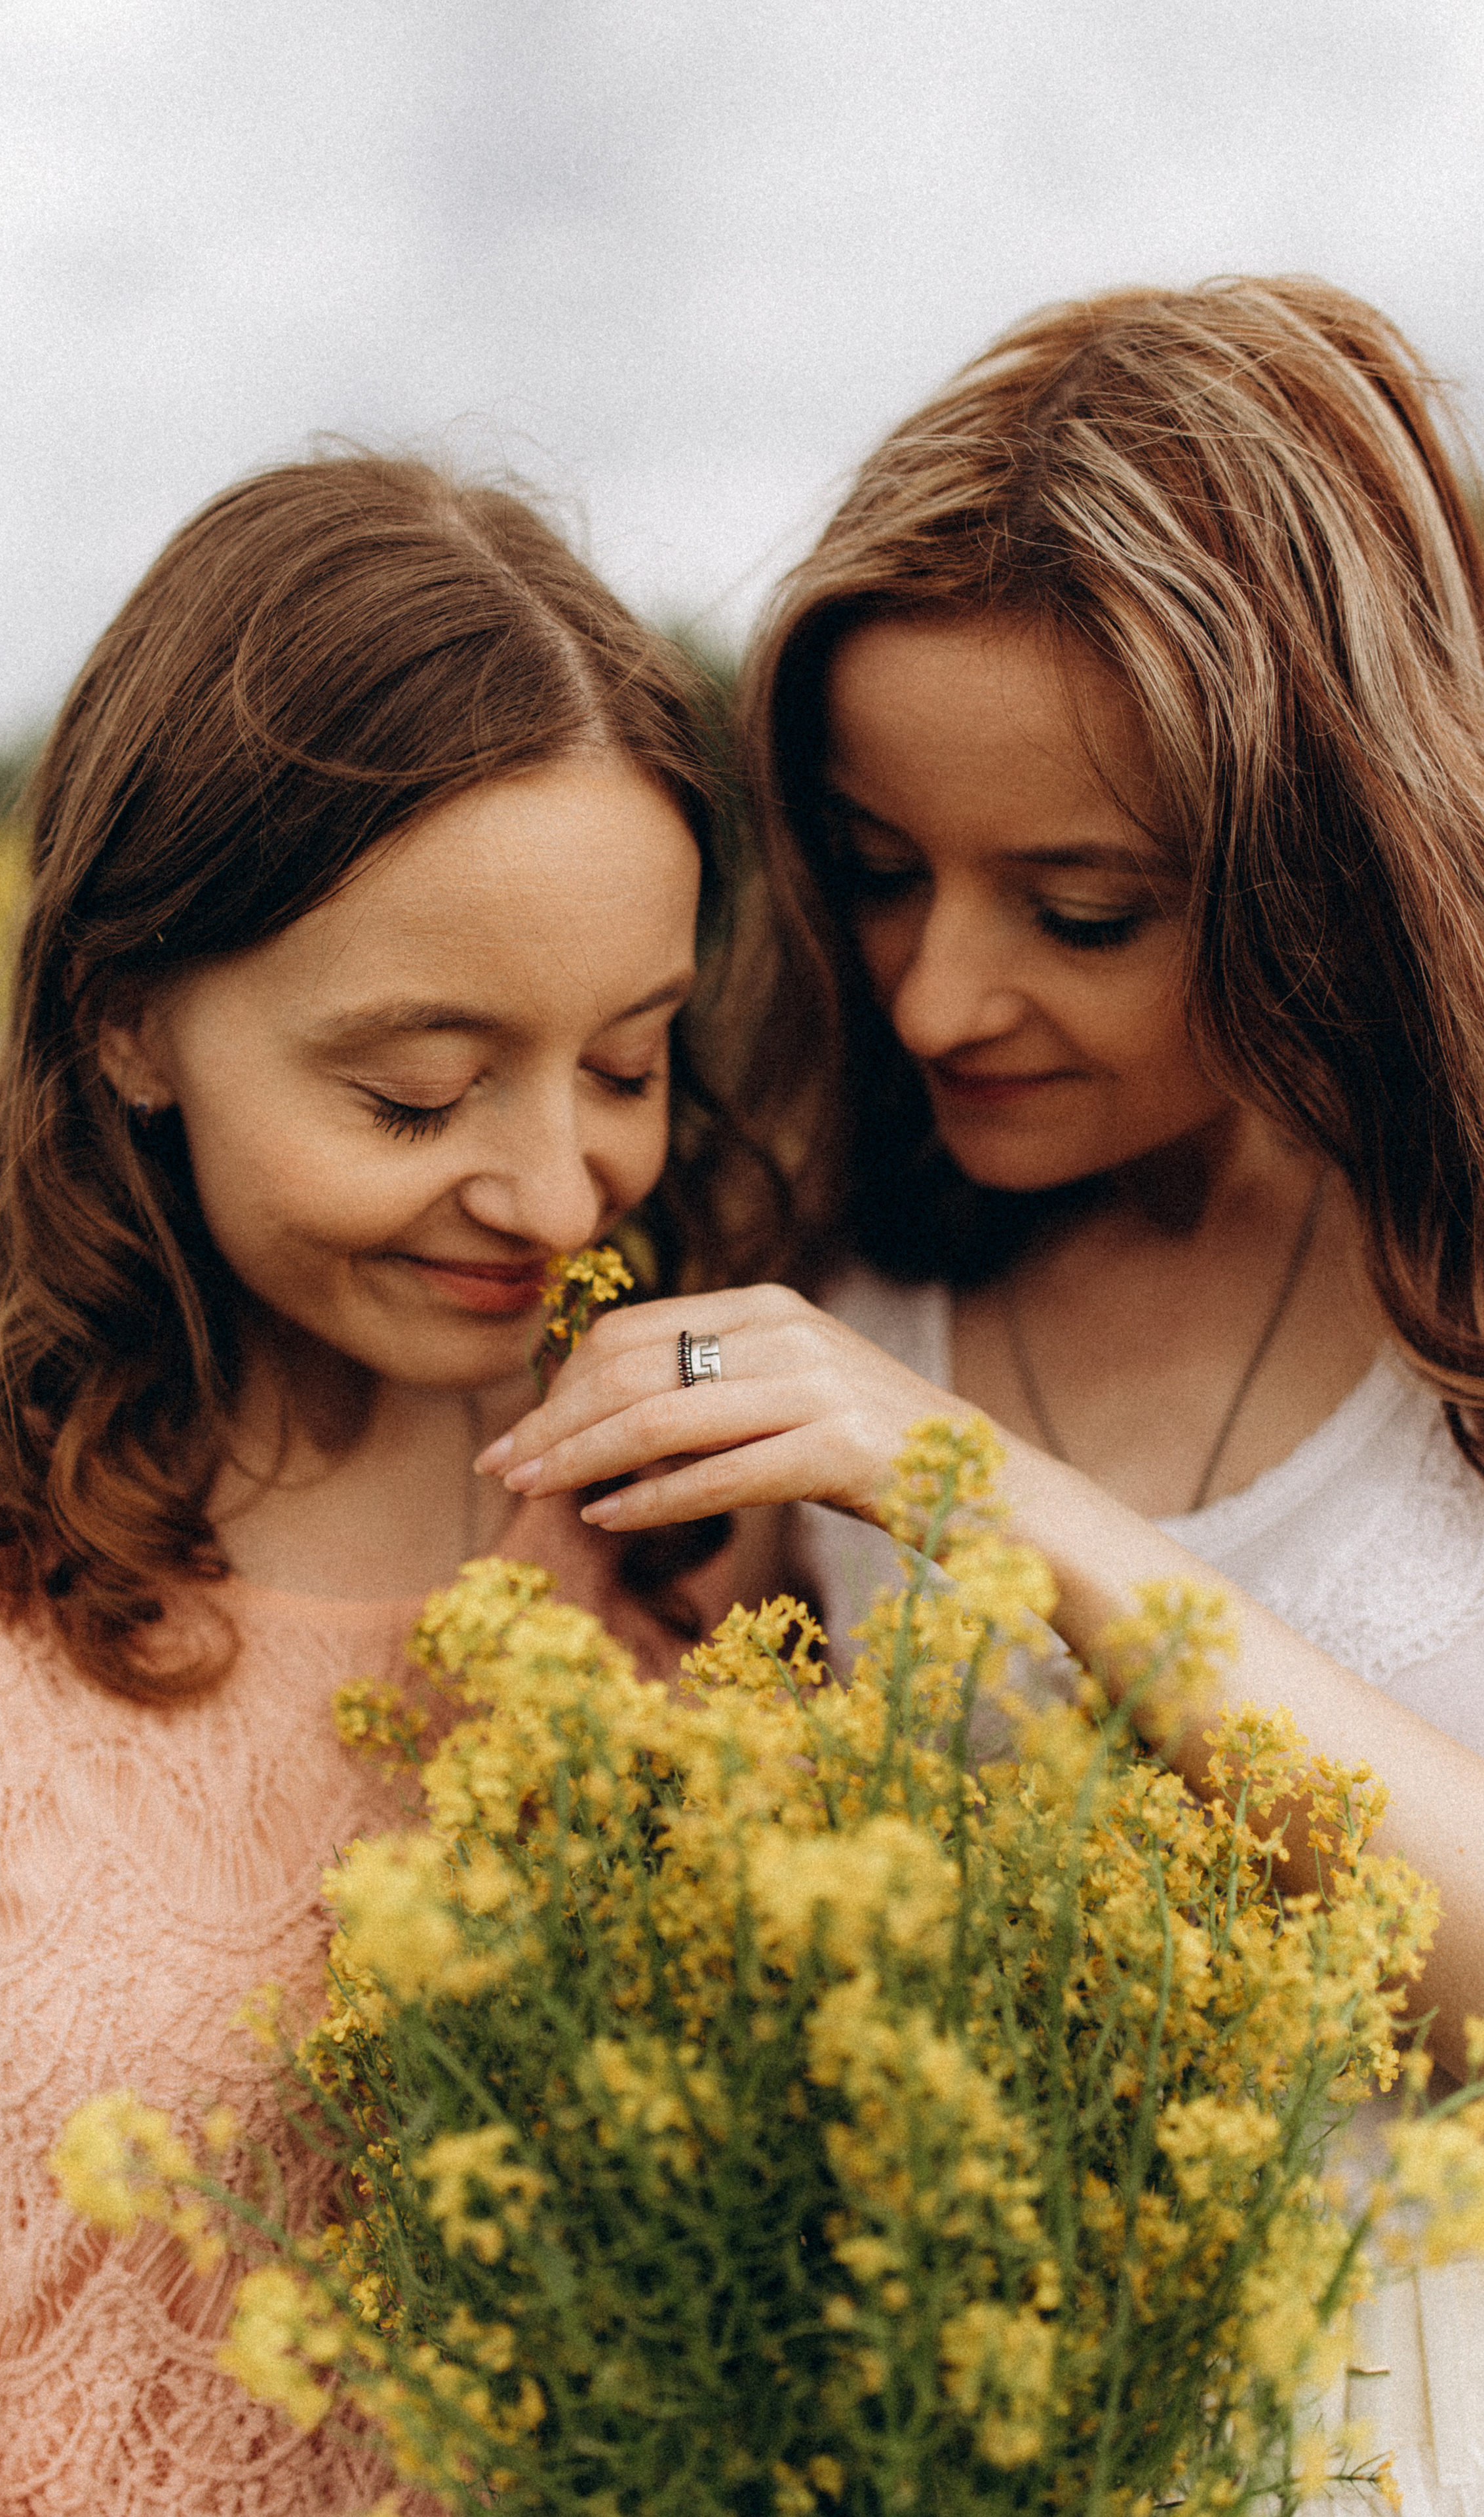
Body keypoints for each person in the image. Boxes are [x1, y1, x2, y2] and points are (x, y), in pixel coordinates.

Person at [479, 282, 1484, 2499]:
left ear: (1322, 866)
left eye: (1086, 908)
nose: (941, 996)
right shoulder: (792, 1256)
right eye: (873, 873)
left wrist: (974, 1493)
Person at [0, 453, 782, 2517]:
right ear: (133, 1022)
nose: (550, 1188)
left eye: (628, 1062)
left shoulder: (732, 1511)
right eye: (413, 1090)